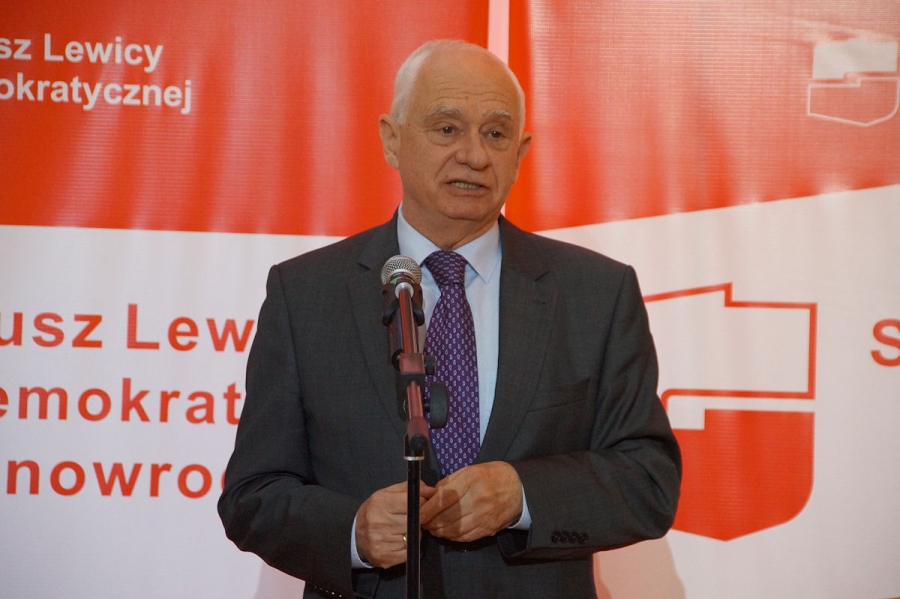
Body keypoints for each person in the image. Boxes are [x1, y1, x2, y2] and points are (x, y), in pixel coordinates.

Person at [218, 39, 681, 599]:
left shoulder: (595, 294)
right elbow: (252, 495)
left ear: (521, 152)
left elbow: (648, 480)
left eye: (496, 134)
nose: (474, 155)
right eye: (446, 128)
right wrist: (353, 532)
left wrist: (522, 494)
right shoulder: (306, 294)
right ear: (392, 139)